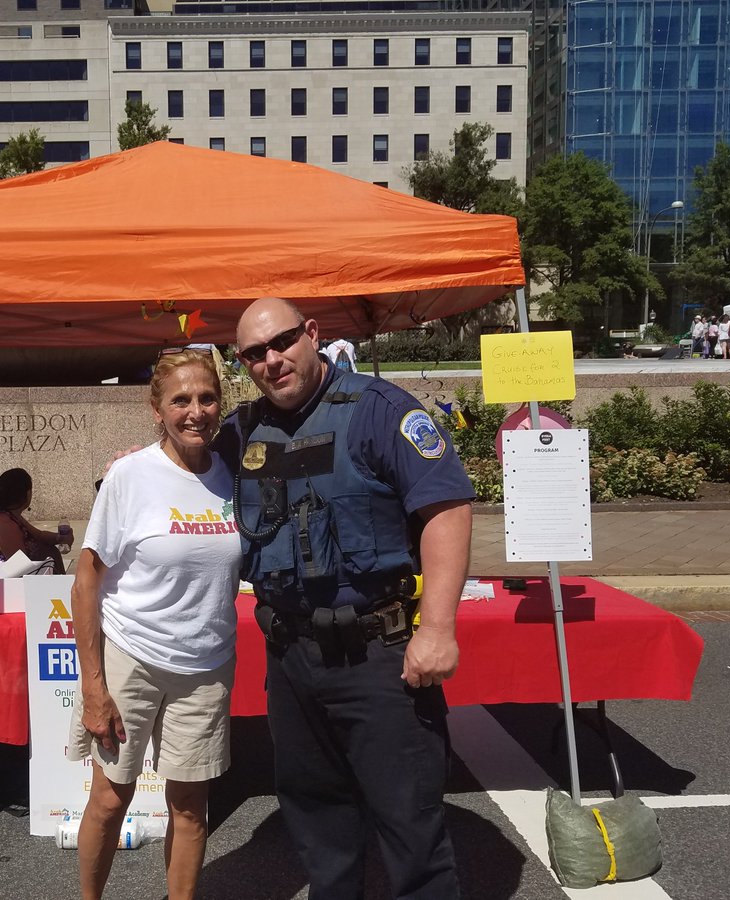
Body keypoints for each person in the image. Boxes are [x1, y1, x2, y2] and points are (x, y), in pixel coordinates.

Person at [224, 297, 473, 899]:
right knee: (317, 827)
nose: (271, 361)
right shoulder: (242, 429)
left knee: (410, 829)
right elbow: (186, 456)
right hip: (291, 660)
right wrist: (138, 460)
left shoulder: (381, 412)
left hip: (377, 659)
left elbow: (446, 507)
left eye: (282, 342)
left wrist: (437, 627)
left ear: (312, 334)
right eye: (254, 353)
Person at [69, 349, 240, 900]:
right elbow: (86, 581)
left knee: (190, 809)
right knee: (110, 798)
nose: (196, 411)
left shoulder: (236, 474)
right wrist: (93, 685)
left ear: (221, 404)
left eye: (207, 398)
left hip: (206, 667)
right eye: (181, 400)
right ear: (157, 409)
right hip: (131, 657)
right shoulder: (131, 475)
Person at [0, 467, 72, 574]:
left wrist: (60, 538)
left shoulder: (11, 517)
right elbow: (21, 569)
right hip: (22, 586)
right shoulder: (5, 523)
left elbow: (39, 535)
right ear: (28, 493)